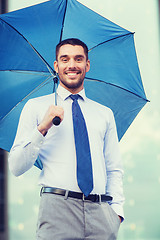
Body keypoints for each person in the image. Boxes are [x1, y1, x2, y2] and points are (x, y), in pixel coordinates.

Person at [8, 38, 125, 240]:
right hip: (57, 210)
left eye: (78, 59)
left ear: (87, 65)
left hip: (101, 213)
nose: (72, 65)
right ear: (57, 66)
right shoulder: (36, 107)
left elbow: (113, 167)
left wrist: (117, 213)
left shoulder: (104, 113)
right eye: (65, 59)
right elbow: (16, 166)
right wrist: (43, 127)